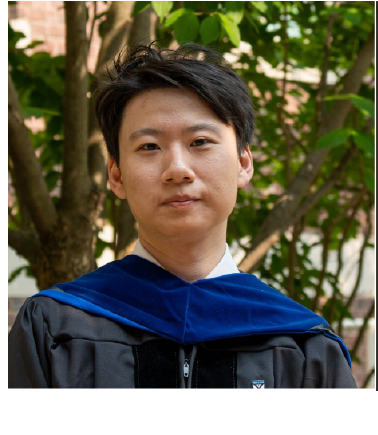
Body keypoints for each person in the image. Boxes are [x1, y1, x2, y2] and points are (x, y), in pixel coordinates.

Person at [8, 43, 356, 388]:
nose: (177, 169)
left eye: (200, 141)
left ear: (243, 163)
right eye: (149, 147)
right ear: (116, 175)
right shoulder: (55, 328)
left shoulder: (305, 345)